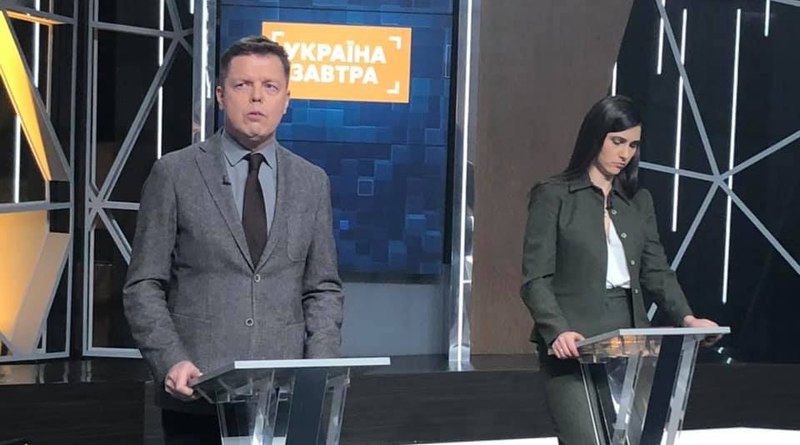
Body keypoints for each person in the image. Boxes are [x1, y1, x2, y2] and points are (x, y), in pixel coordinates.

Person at [123, 36, 344, 444]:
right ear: (221, 95)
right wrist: (171, 361)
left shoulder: (312, 182)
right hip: (198, 397)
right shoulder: (174, 174)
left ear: (287, 99)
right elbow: (143, 285)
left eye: (270, 87)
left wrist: (318, 368)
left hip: (284, 401)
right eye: (243, 85)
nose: (257, 97)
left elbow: (323, 288)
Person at [519, 95, 718, 445]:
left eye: (633, 145)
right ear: (596, 137)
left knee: (637, 439)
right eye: (617, 141)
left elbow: (656, 270)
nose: (625, 153)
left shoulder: (638, 201)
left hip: (631, 340)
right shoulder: (554, 195)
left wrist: (687, 318)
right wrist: (557, 330)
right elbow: (535, 279)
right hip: (574, 341)